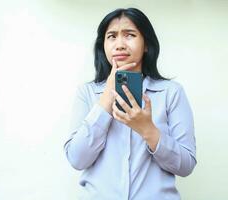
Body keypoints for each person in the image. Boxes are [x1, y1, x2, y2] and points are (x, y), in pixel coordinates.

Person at [64, 8, 196, 200]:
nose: (119, 44)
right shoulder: (87, 93)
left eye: (130, 35)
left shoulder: (171, 93)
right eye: (112, 36)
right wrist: (107, 98)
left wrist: (148, 130)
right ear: (104, 46)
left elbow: (186, 166)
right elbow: (77, 159)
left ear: (146, 45)